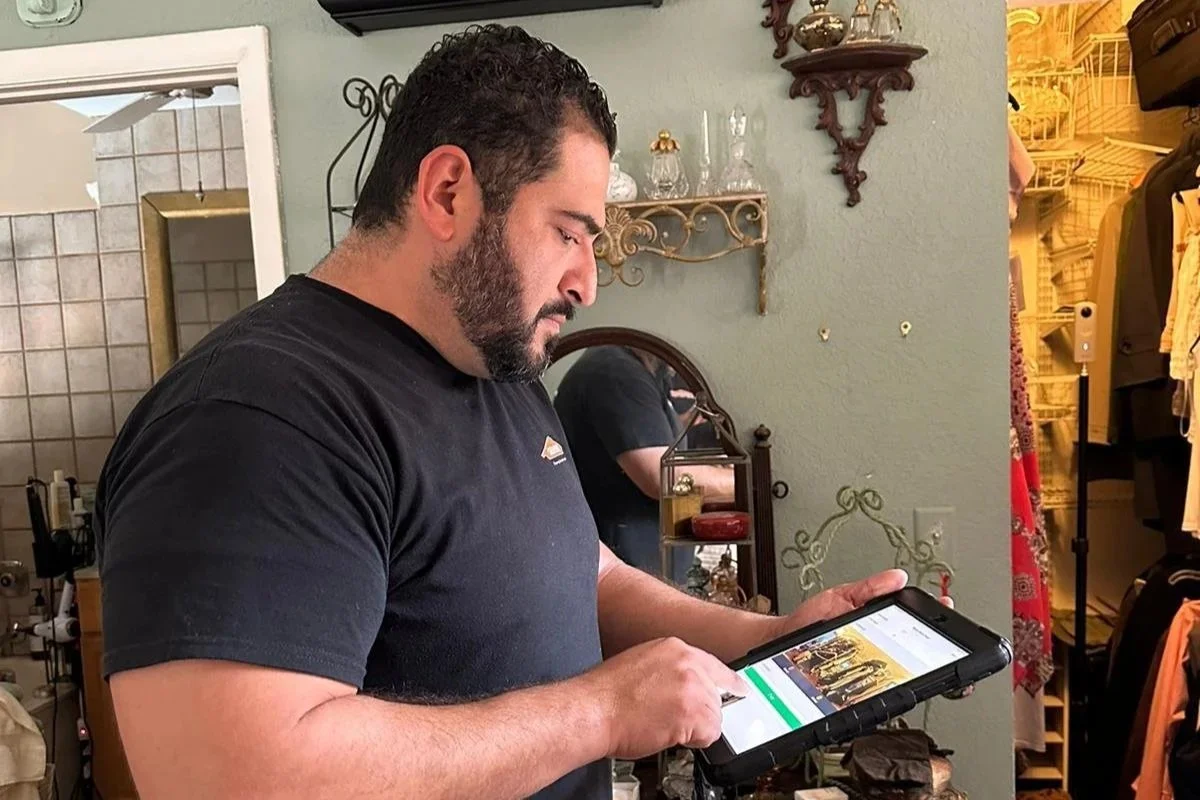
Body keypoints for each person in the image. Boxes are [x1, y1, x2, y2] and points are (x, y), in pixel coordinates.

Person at [95, 24, 920, 800]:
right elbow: (234, 779)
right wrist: (601, 711)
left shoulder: (493, 361)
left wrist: (768, 642)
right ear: (448, 191)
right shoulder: (252, 416)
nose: (587, 282)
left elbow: (582, 574)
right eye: (568, 232)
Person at [554, 345, 733, 584]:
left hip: (647, 569)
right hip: (628, 568)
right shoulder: (617, 372)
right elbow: (661, 478)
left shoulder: (644, 371)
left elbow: (649, 436)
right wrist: (740, 481)